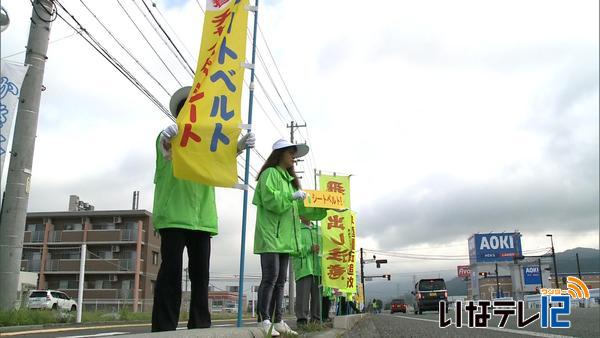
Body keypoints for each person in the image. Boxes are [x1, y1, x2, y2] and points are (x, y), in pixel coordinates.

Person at [151, 86, 255, 332]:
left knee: (201, 277)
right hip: (174, 215)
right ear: (179, 114)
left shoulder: (209, 142)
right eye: (187, 108)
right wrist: (167, 139)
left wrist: (238, 147)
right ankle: (164, 329)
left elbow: (221, 159)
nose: (194, 112)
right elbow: (164, 151)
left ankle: (200, 327)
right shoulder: (169, 136)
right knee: (171, 274)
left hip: (203, 218)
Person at [253, 139, 311, 337]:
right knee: (270, 277)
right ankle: (264, 319)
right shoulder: (270, 174)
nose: (294, 157)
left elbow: (293, 211)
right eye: (291, 153)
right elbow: (270, 200)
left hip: (284, 237)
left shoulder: (288, 179)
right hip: (271, 234)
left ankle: (277, 320)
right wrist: (291, 197)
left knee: (280, 280)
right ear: (280, 154)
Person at [293, 214, 327, 326]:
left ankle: (316, 319)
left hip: (318, 267)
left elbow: (326, 247)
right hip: (304, 267)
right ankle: (302, 319)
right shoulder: (296, 228)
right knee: (303, 295)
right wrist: (309, 249)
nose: (305, 214)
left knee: (317, 296)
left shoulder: (320, 229)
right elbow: (293, 248)